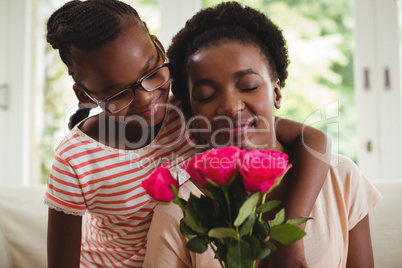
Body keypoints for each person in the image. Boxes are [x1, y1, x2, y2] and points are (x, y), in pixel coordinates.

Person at [44, 1, 332, 267]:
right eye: (119, 94)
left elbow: (312, 139)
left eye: (151, 73)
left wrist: (291, 235)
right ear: (85, 95)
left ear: (159, 47)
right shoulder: (75, 161)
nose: (145, 99)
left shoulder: (188, 113)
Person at [143, 2, 382, 268]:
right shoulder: (181, 211)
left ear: (276, 93)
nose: (231, 108)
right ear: (192, 117)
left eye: (249, 86)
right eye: (206, 96)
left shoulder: (342, 179)